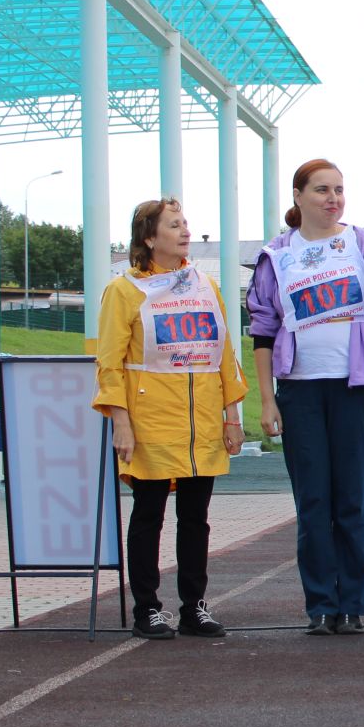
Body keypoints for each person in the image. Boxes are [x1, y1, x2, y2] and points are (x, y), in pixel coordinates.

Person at [247, 159, 364, 636]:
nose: (332, 198)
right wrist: (268, 400)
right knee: (313, 501)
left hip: (356, 389)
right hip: (299, 391)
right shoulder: (277, 256)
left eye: (339, 189)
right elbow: (263, 331)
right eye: (321, 190)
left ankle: (353, 603)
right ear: (298, 196)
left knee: (352, 501)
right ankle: (320, 603)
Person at [92, 198, 248, 640]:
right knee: (149, 515)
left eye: (185, 225)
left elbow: (222, 352)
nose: (184, 232)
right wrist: (120, 421)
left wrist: (231, 415)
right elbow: (110, 362)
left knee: (196, 517)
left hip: (201, 421)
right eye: (174, 225)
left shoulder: (204, 284)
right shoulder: (124, 290)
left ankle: (194, 607)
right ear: (148, 237)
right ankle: (147, 609)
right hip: (151, 419)